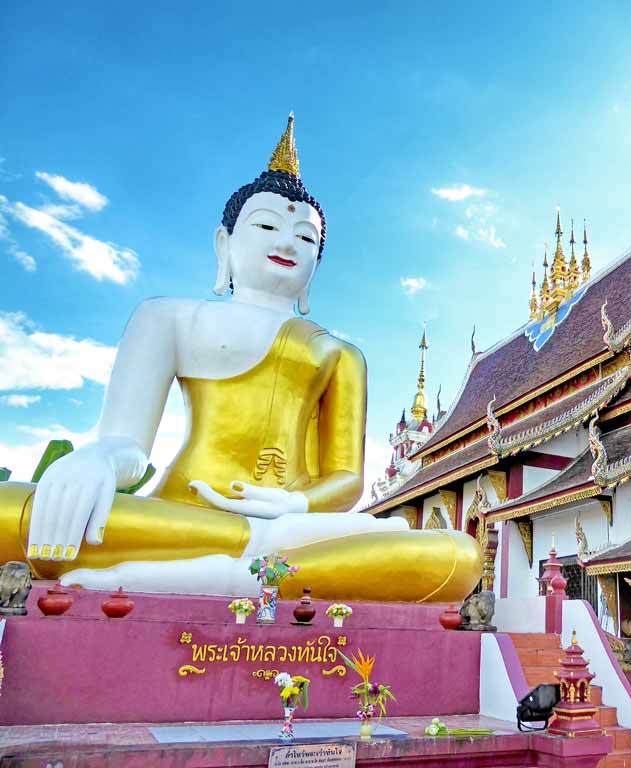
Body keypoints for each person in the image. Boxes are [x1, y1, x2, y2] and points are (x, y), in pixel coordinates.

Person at [0, 115, 481, 602]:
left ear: (316, 265)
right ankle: (263, 562)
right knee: (10, 512)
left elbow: (347, 480)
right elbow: (127, 443)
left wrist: (295, 504)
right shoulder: (167, 318)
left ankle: (230, 572)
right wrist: (100, 459)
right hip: (182, 516)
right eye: (268, 225)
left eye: (305, 237)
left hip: (291, 524)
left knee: (458, 555)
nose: (286, 241)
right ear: (224, 244)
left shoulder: (338, 353)